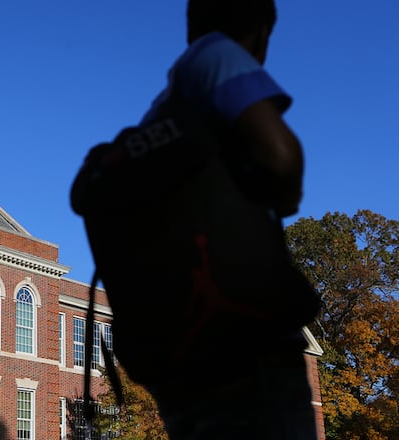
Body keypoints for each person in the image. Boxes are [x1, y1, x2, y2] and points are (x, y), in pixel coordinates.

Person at [76, 0, 320, 438]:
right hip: (247, 347)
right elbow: (283, 158)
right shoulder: (216, 55)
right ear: (261, 30)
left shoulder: (161, 116)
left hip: (182, 360)